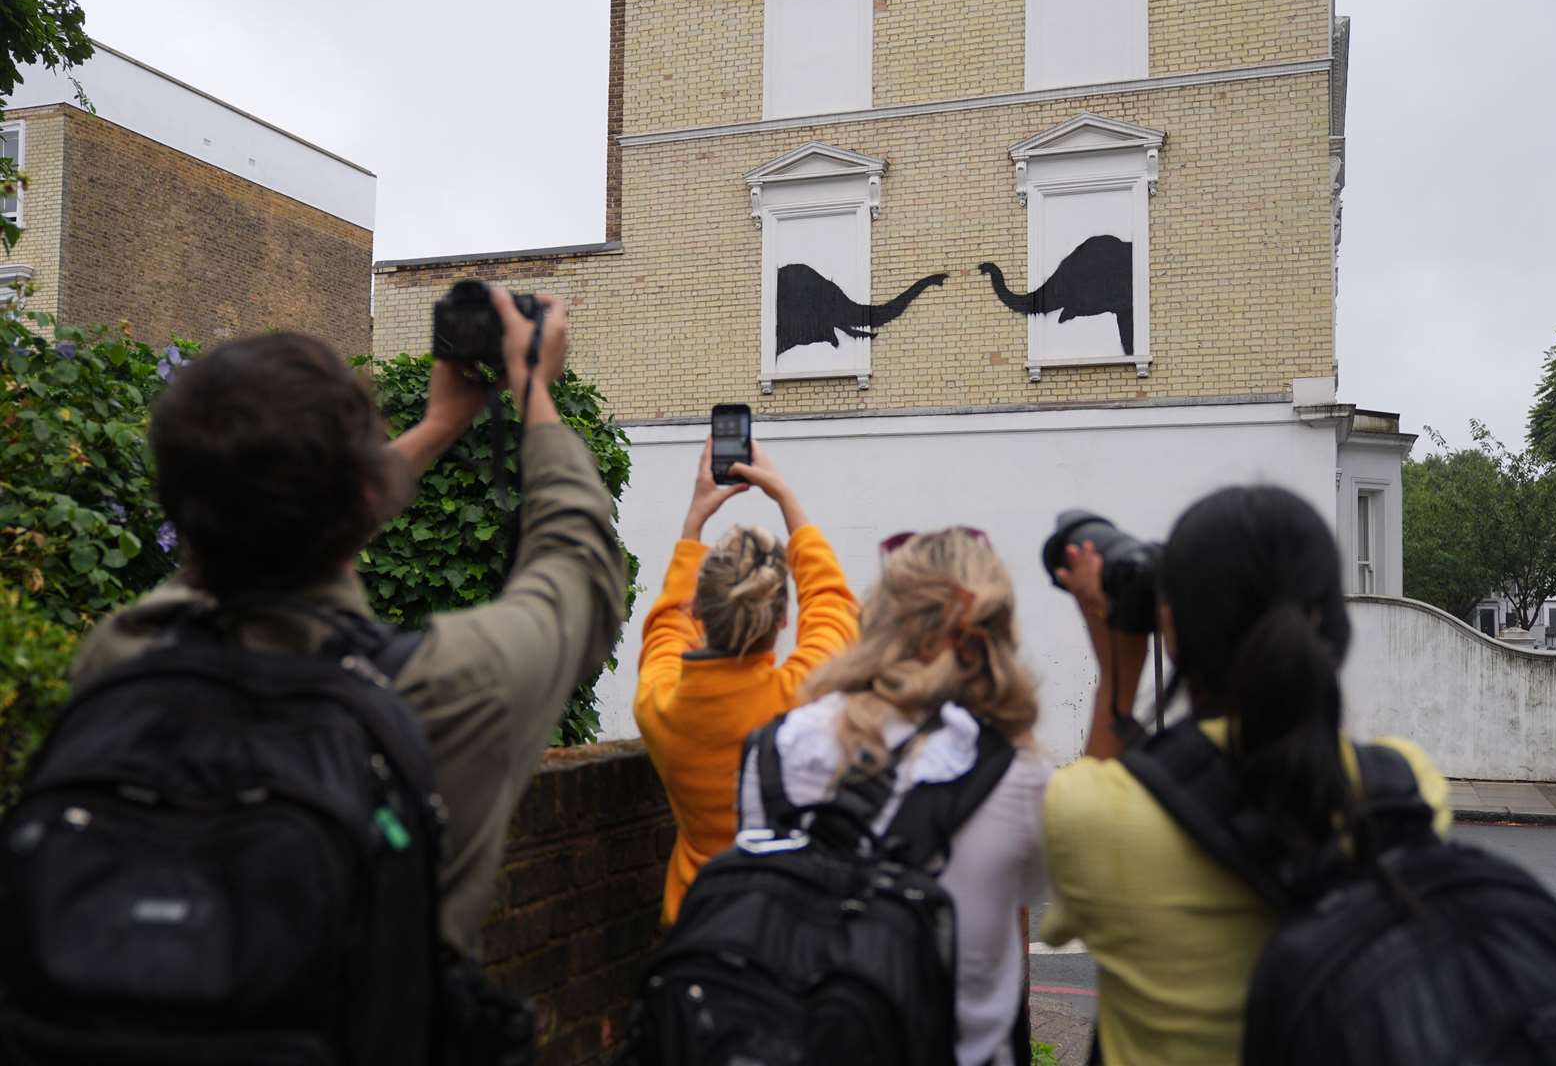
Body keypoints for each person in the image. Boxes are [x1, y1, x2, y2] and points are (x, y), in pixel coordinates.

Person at [70, 289, 627, 962]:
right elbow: (580, 567)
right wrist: (534, 391)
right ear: (364, 494)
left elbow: (247, 532)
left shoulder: (123, 654)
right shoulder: (443, 691)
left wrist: (435, 427)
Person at [1040, 486, 1450, 1064]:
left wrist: (1116, 668)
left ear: (1174, 633)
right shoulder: (1409, 787)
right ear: (1334, 628)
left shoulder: (1092, 811)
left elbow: (1074, 901)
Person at [737, 527, 1052, 1066]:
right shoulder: (1020, 776)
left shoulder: (776, 747)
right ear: (994, 631)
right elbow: (1020, 909)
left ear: (880, 613)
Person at [634, 439, 859, 924]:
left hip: (698, 929)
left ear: (699, 610)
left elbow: (666, 624)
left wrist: (694, 520)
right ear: (782, 621)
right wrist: (783, 495)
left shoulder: (662, 703)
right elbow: (832, 602)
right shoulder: (804, 697)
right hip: (790, 927)